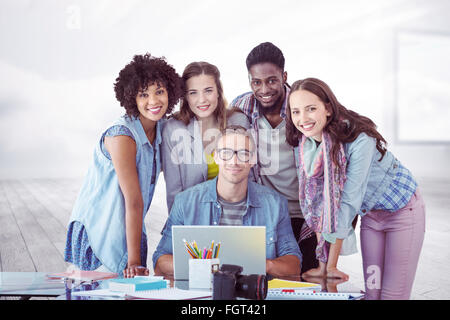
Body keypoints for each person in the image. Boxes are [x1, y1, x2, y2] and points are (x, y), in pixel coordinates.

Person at [285, 77, 425, 299]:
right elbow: (318, 206)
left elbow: (349, 201)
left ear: (328, 109)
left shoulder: (359, 139)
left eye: (311, 109)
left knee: (391, 295)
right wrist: (324, 267)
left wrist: (330, 267)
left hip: (402, 211)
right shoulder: (307, 145)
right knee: (373, 291)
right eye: (296, 112)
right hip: (371, 217)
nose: (303, 119)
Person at [64, 54, 183, 278]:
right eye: (143, 95)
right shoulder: (122, 136)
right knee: (99, 291)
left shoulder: (162, 129)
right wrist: (135, 261)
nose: (153, 101)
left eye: (159, 91)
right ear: (132, 98)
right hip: (98, 229)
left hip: (129, 227)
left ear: (170, 92)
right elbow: (134, 200)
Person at [153, 125, 302, 277]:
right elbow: (160, 262)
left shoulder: (275, 204)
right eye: (226, 153)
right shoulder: (185, 202)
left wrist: (261, 264)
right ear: (215, 156)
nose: (234, 161)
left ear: (253, 159)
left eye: (243, 154)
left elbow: (294, 265)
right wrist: (203, 267)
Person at [229, 42, 318, 274]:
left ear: (284, 76)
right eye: (256, 82)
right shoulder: (241, 106)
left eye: (271, 80)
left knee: (307, 279)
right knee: (264, 279)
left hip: (306, 213)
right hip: (267, 213)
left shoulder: (300, 107)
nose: (264, 89)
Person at [162, 61, 250, 212]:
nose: (202, 99)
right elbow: (174, 192)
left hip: (236, 214)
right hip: (193, 215)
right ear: (186, 97)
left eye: (208, 90)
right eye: (193, 92)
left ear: (218, 91)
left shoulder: (238, 121)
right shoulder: (172, 128)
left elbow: (249, 178)